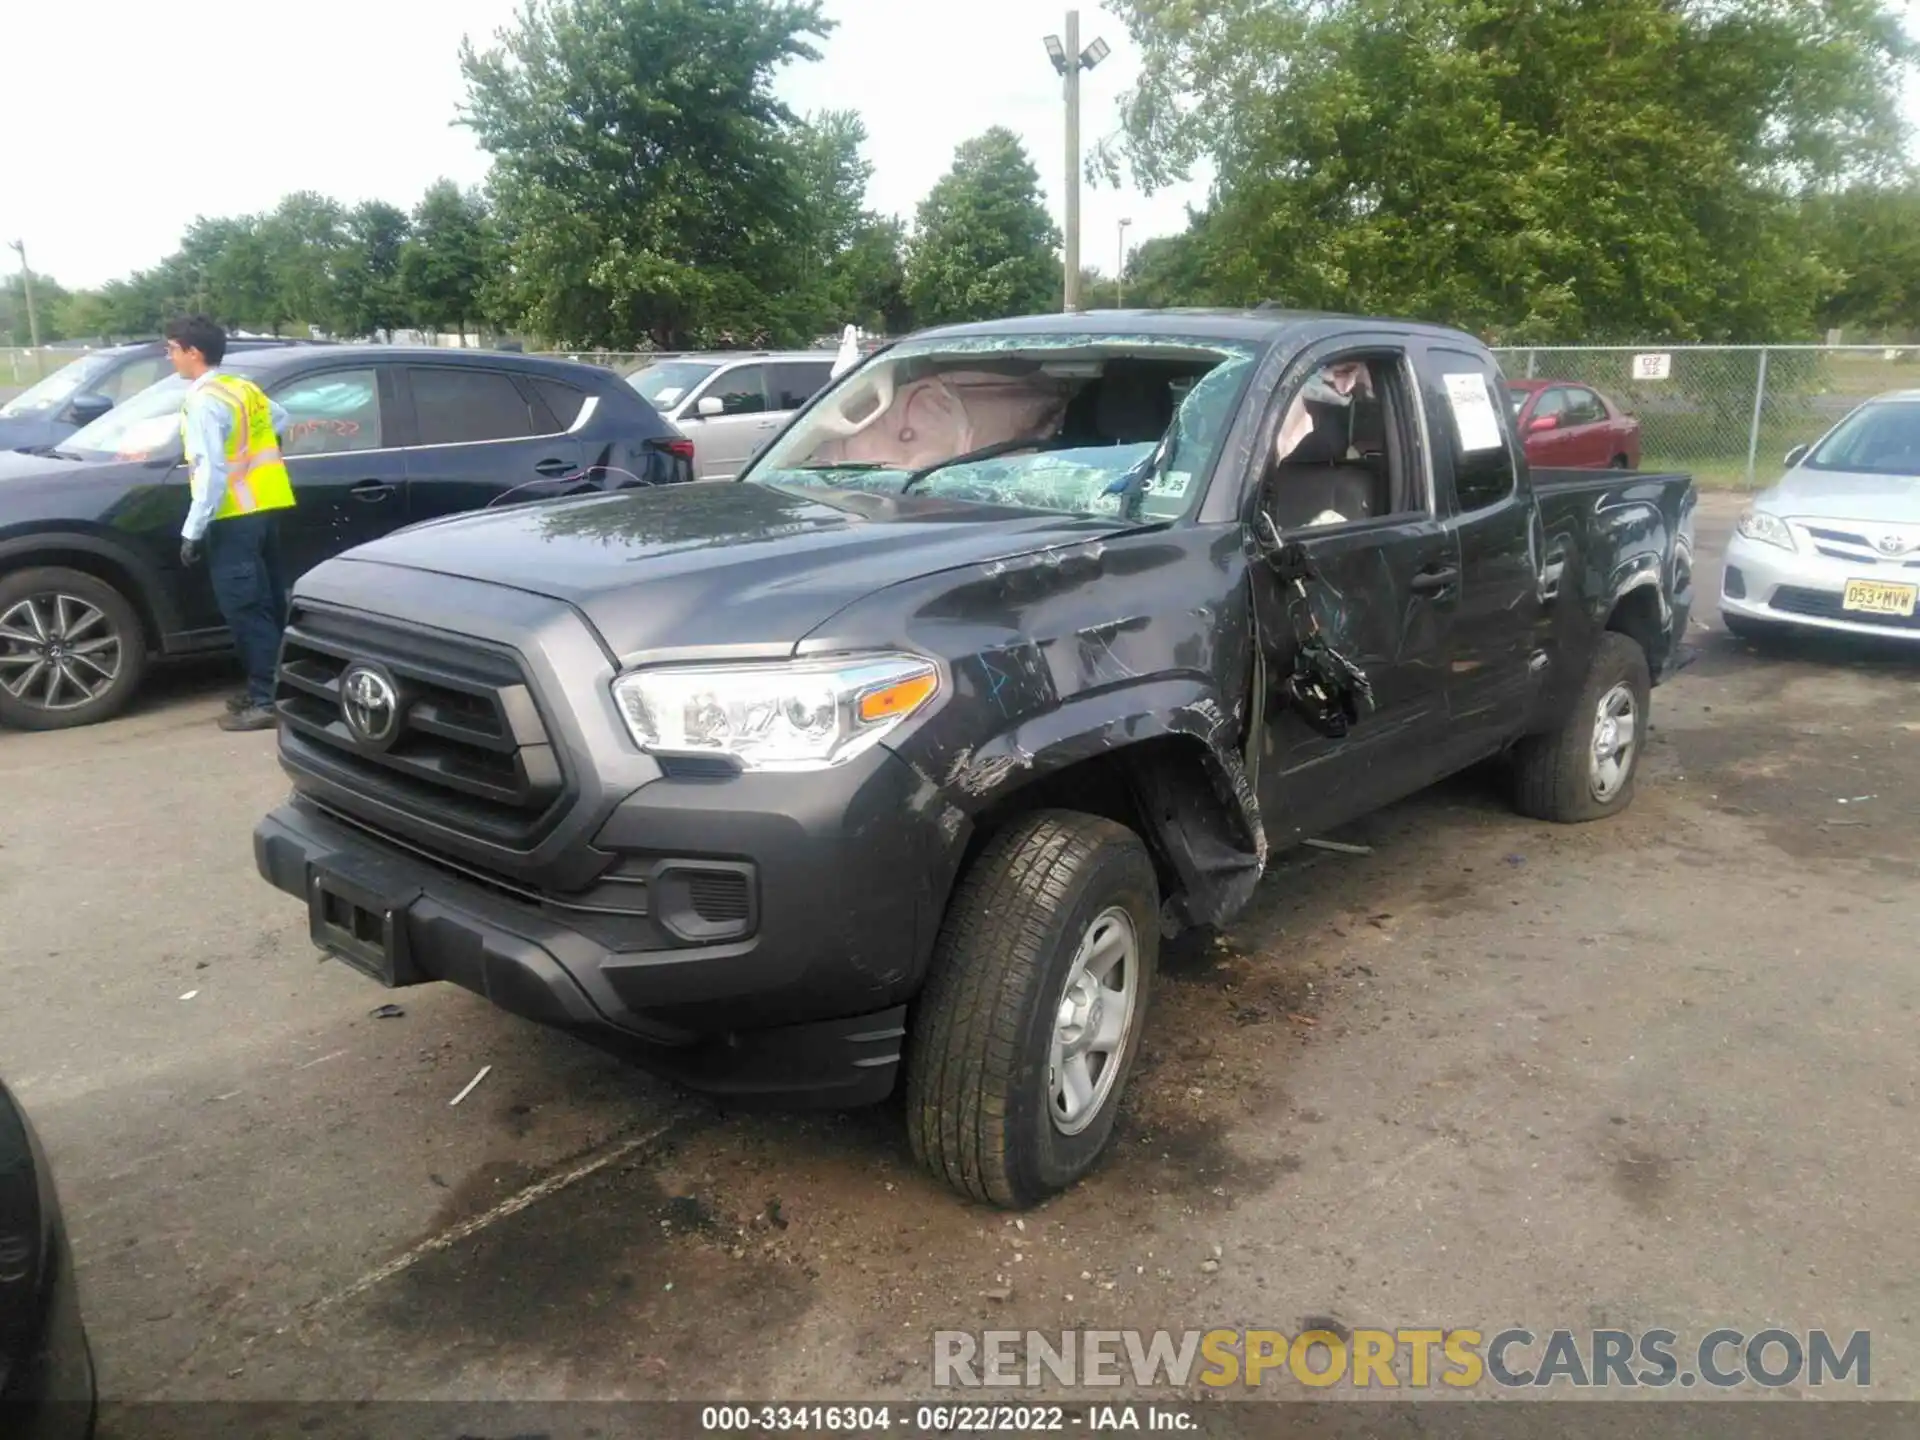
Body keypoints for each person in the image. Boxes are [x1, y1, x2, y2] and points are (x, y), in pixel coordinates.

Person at [164, 315, 296, 732]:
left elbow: (209, 472)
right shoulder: (240, 387)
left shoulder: (204, 401)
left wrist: (192, 530)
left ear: (193, 352)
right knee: (270, 603)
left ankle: (266, 699)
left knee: (246, 609)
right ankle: (279, 689)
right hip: (266, 507)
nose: (169, 356)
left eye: (172, 348)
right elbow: (281, 419)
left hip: (233, 516)